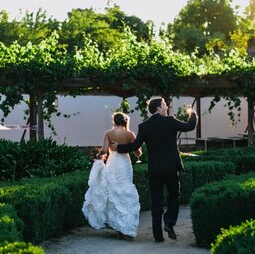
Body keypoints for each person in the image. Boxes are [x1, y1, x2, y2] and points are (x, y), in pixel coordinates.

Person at [111, 97, 197, 243]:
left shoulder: (144, 126)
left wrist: (118, 147)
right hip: (170, 167)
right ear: (158, 108)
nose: (166, 106)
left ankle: (158, 236)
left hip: (155, 169)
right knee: (174, 194)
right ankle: (169, 223)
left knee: (156, 202)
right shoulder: (170, 121)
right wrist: (193, 113)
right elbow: (190, 126)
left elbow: (135, 146)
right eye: (164, 104)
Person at [82, 112, 142, 239]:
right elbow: (138, 153)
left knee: (112, 191)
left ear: (114, 121)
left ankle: (117, 227)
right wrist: (129, 146)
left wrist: (98, 157)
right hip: (124, 163)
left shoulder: (108, 133)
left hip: (112, 162)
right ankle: (126, 227)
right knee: (125, 192)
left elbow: (104, 150)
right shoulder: (130, 134)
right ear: (125, 121)